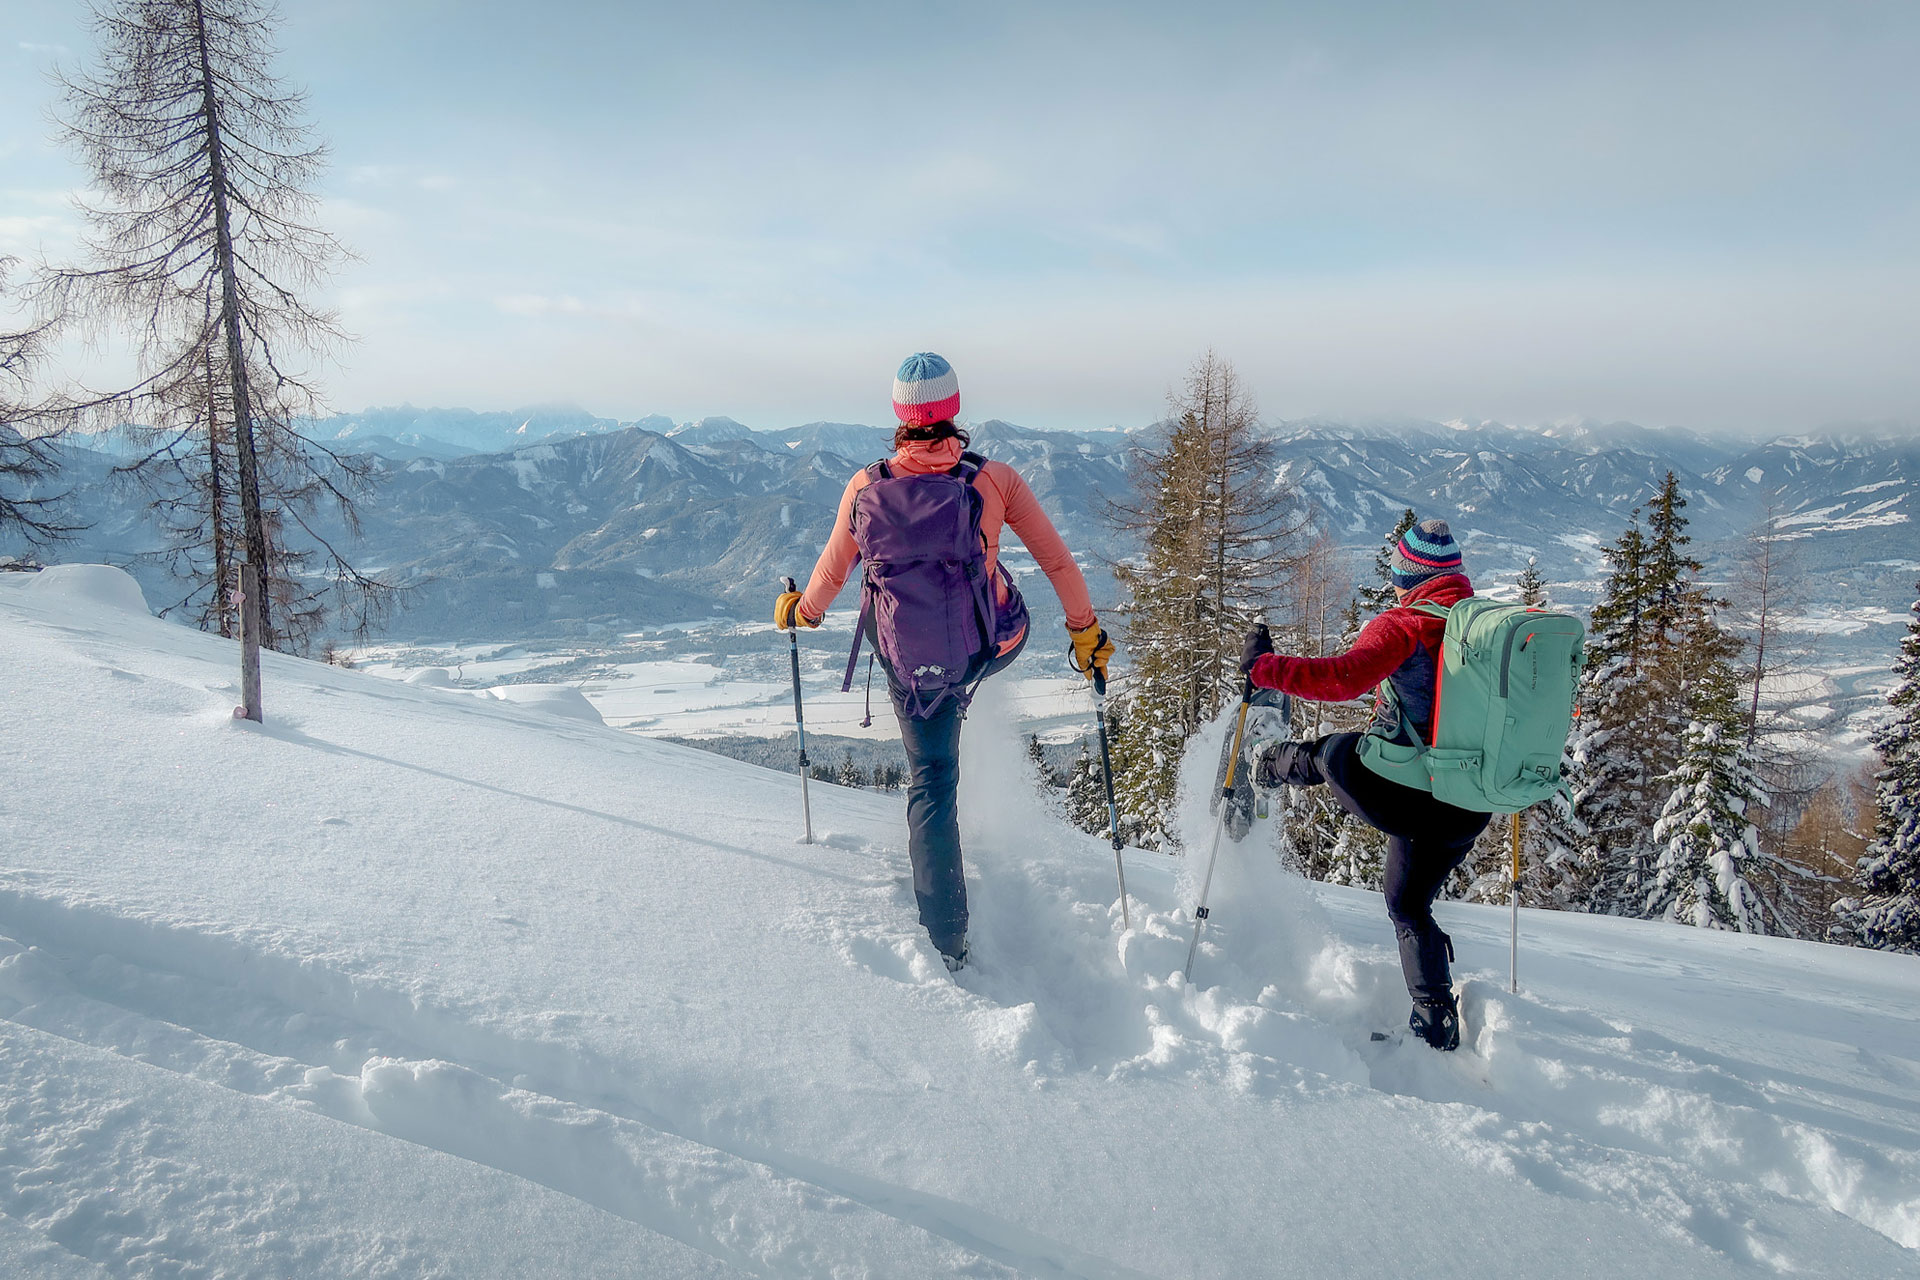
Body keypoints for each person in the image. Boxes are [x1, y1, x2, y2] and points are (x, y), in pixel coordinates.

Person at [774, 352, 1113, 971]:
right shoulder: (994, 480)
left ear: (899, 414)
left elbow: (830, 576)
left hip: (908, 661)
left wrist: (802, 612)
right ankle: (962, 689)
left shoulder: (866, 486)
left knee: (931, 780)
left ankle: (947, 943)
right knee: (994, 600)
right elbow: (1059, 565)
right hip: (986, 648)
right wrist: (1085, 634)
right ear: (953, 408)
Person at [1239, 518, 1489, 1050]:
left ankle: (1267, 763)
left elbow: (1343, 677)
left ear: (1408, 576)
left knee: (1336, 754)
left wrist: (1264, 669)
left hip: (1414, 792)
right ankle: (1436, 1020)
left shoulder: (1406, 624)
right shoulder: (1487, 628)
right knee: (1406, 903)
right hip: (1470, 802)